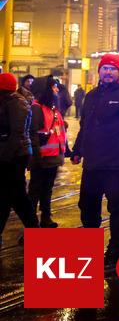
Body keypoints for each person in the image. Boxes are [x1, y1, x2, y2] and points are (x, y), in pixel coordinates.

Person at [73, 54, 119, 267]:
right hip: (93, 162)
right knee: (87, 205)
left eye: (112, 69)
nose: (107, 72)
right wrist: (78, 150)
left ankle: (116, 249)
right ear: (99, 71)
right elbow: (85, 125)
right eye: (104, 68)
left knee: (116, 206)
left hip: (117, 162)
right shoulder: (92, 95)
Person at [0, 72, 38, 237]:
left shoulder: (16, 103)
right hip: (10, 154)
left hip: (15, 156)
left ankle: (34, 228)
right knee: (7, 195)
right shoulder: (7, 101)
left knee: (16, 196)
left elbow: (17, 133)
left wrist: (4, 157)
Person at [29, 77, 69, 228]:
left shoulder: (53, 108)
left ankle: (46, 217)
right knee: (35, 191)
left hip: (53, 157)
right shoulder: (37, 108)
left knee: (47, 189)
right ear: (46, 89)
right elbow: (33, 134)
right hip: (41, 158)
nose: (57, 90)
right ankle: (31, 223)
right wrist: (36, 157)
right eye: (54, 87)